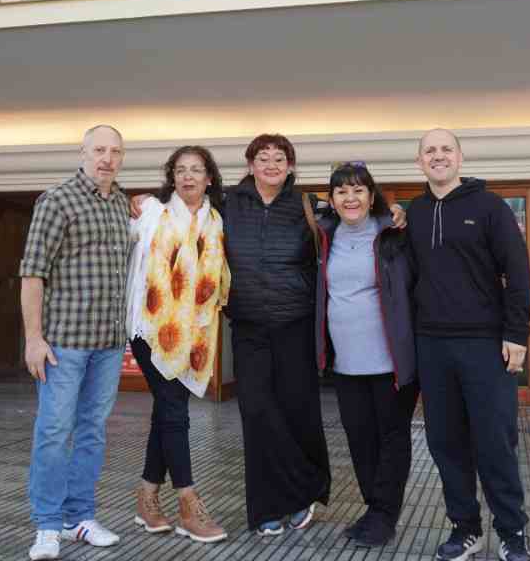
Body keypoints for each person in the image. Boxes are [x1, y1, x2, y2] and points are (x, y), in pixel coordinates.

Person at [407, 129, 530, 561]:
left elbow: (518, 272)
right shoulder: (415, 213)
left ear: (460, 158)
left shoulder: (489, 207)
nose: (438, 156)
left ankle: (512, 530)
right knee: (445, 442)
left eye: (446, 149)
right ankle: (465, 529)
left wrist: (517, 334)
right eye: (429, 151)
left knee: (495, 440)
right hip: (432, 344)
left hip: (484, 344)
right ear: (420, 162)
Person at [20, 125, 132, 561]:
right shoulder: (56, 201)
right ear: (83, 152)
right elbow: (32, 273)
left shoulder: (121, 203)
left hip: (107, 343)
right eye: (100, 149)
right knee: (53, 432)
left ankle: (78, 517)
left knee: (92, 432)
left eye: (115, 151)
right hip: (63, 344)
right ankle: (47, 525)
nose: (107, 157)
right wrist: (33, 338)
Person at [222, 133, 330, 536]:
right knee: (256, 411)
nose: (271, 164)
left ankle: (297, 498)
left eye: (279, 158)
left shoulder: (307, 205)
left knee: (296, 410)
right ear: (250, 165)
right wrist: (148, 201)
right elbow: (184, 210)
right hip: (248, 326)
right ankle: (281, 497)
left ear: (290, 166)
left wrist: (393, 212)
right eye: (262, 158)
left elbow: (358, 211)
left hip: (295, 326)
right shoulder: (228, 203)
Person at [125, 145, 231, 544]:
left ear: (209, 178)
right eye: (180, 170)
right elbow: (121, 245)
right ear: (172, 177)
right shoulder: (151, 211)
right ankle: (188, 501)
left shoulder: (217, 220)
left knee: (169, 410)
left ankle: (147, 496)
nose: (188, 177)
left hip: (195, 334)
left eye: (196, 170)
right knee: (174, 410)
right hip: (150, 330)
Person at [313, 163, 418, 548]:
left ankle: (384, 515)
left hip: (391, 360)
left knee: (392, 438)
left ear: (372, 197)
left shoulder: (394, 233)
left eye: (358, 190)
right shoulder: (324, 235)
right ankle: (375, 508)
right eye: (341, 191)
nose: (350, 197)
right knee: (359, 439)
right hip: (346, 362)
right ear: (332, 200)